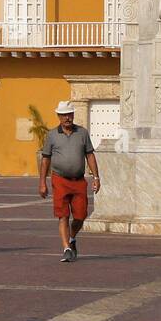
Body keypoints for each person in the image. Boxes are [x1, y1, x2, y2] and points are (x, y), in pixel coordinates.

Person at [39, 101, 100, 263]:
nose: (67, 118)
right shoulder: (52, 135)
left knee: (80, 216)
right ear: (58, 116)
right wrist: (42, 182)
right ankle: (66, 248)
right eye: (64, 115)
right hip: (59, 179)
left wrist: (96, 177)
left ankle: (72, 238)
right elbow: (45, 159)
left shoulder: (82, 133)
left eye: (69, 114)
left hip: (79, 181)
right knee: (63, 215)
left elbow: (90, 155)